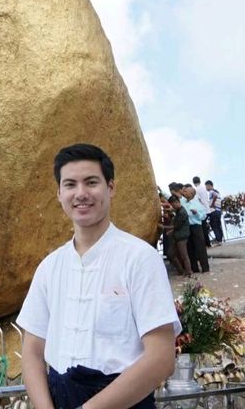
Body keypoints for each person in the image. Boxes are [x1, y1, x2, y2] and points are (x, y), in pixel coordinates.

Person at [18, 143, 180, 409]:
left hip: (125, 401)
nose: (81, 193)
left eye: (91, 182)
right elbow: (32, 351)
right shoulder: (49, 267)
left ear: (111, 187)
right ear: (59, 193)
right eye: (70, 184)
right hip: (58, 398)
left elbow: (161, 358)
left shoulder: (140, 258)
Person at [181, 184, 210, 273]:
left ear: (191, 193)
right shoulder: (182, 202)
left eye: (186, 191)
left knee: (200, 247)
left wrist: (196, 213)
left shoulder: (197, 203)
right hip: (186, 227)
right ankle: (194, 268)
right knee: (190, 248)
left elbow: (203, 216)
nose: (184, 192)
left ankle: (205, 268)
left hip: (196, 227)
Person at [166, 195, 192, 276]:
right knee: (171, 254)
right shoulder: (179, 210)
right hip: (178, 236)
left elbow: (176, 226)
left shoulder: (181, 212)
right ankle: (181, 271)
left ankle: (188, 272)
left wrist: (164, 227)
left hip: (182, 236)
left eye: (173, 205)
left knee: (184, 256)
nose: (172, 206)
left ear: (177, 202)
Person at [192, 177, 212, 247]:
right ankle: (208, 243)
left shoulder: (196, 189)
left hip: (203, 211)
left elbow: (198, 200)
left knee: (203, 229)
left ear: (193, 182)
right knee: (205, 228)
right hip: (208, 209)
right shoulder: (204, 188)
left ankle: (207, 244)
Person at [205, 180, 224, 244]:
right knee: (218, 225)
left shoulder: (211, 191)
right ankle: (220, 239)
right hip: (218, 210)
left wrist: (212, 204)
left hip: (214, 211)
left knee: (214, 225)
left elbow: (215, 196)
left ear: (209, 185)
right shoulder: (217, 191)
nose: (206, 188)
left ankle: (218, 240)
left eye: (206, 186)